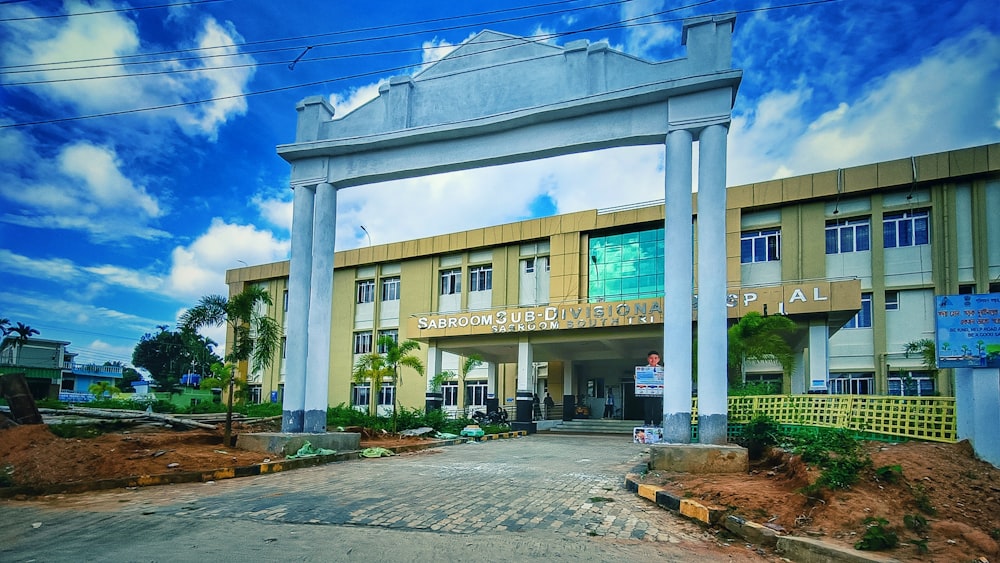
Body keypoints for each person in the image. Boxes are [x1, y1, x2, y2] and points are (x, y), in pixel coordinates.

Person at [644, 350, 662, 426]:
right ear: (648, 359)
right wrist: (637, 378)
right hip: (647, 392)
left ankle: (657, 424)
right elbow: (641, 380)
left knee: (657, 408)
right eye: (651, 358)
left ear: (658, 359)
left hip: (658, 392)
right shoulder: (643, 369)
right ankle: (647, 423)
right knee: (647, 408)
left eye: (655, 358)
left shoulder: (662, 369)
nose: (653, 360)